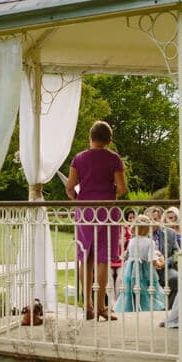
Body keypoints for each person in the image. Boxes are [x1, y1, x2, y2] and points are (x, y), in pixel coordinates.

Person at [66, 120, 128, 321]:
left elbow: (70, 186)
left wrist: (78, 199)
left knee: (86, 258)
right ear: (109, 140)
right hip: (106, 211)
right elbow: (122, 188)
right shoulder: (114, 159)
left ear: (90, 138)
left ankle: (88, 306)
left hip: (84, 211)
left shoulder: (79, 158)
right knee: (103, 259)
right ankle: (102, 306)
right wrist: (110, 190)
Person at [114, 215, 166, 312]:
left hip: (132, 267)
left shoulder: (132, 241)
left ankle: (130, 306)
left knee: (130, 287)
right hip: (145, 267)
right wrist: (158, 263)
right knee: (147, 287)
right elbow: (151, 258)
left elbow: (131, 254)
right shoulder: (150, 242)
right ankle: (146, 306)